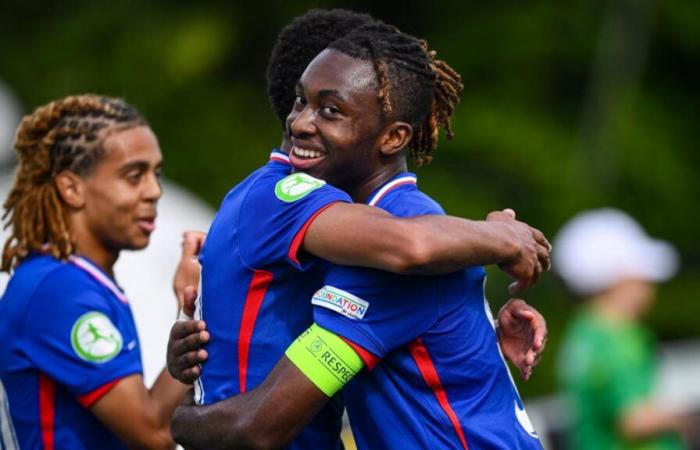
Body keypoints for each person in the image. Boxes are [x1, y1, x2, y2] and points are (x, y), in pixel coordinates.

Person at [169, 22, 545, 450]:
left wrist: (179, 420)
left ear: (393, 136)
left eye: (331, 109)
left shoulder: (396, 245)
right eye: (302, 101)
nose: (303, 122)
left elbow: (257, 428)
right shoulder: (368, 228)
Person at [0, 95, 188, 450]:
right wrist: (204, 306)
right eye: (134, 176)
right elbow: (155, 433)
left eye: (155, 174)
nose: (154, 191)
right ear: (71, 188)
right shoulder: (59, 292)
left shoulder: (76, 281)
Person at [555, 208, 699, 450]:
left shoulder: (582, 333)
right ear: (618, 277)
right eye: (642, 274)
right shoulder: (618, 338)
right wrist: (687, 419)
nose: (650, 284)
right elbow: (633, 419)